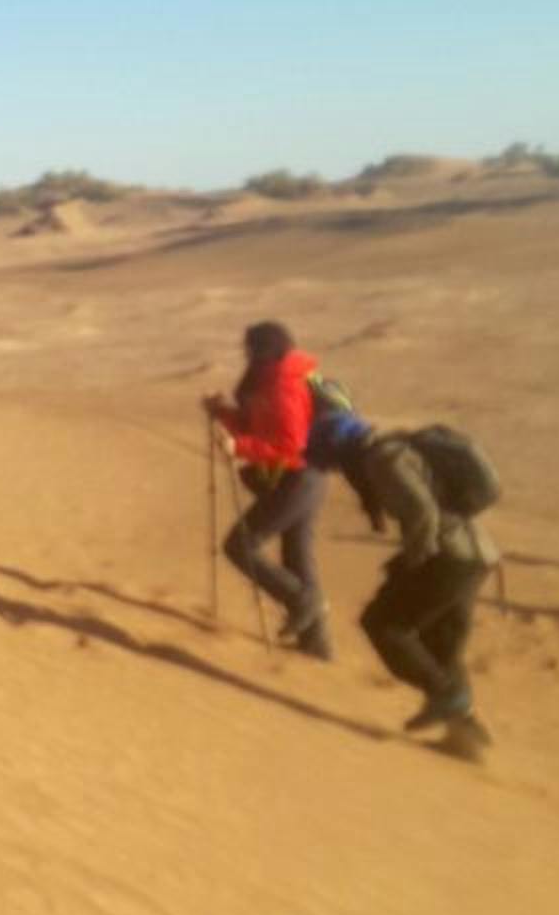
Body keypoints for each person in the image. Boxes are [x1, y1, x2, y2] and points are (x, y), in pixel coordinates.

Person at [308, 411, 499, 754]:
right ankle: (464, 737)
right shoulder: (395, 449)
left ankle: (448, 698)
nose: (336, 471)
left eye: (332, 461)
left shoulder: (381, 460)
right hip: (476, 556)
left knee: (384, 625)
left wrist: (413, 561)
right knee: (441, 643)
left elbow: (422, 512)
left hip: (448, 557)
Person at [203, 321, 332, 658]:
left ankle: (302, 601)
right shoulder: (272, 379)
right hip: (306, 477)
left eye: (250, 348)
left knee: (240, 545)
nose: (246, 354)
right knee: (297, 557)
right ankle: (317, 644)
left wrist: (240, 447)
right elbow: (254, 426)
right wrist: (223, 413)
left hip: (298, 477)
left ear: (263, 350)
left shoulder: (284, 385)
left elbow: (291, 443)